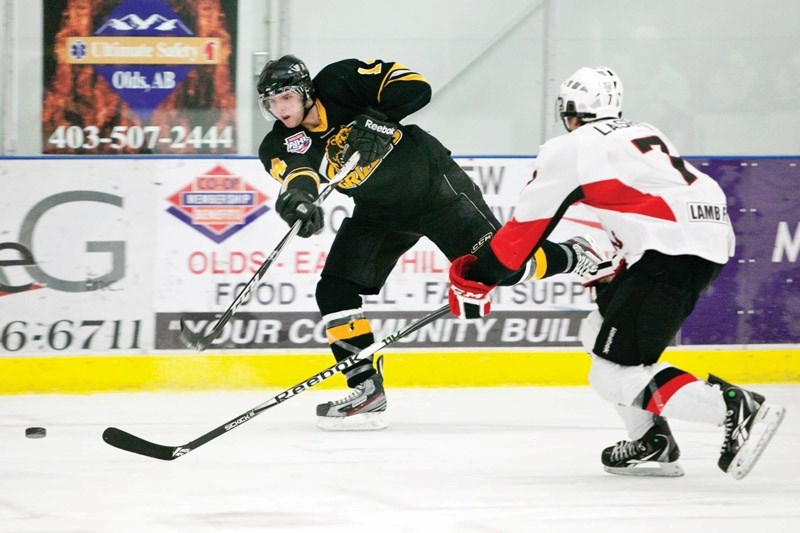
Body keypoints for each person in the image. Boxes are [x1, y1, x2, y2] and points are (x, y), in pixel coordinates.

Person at [447, 66, 786, 479]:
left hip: (669, 250)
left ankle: (735, 408)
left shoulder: (571, 148)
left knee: (613, 375)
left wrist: (480, 278)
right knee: (597, 331)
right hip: (693, 242)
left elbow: (523, 232)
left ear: (570, 111)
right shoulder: (641, 132)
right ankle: (650, 441)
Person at [256, 55, 602, 431]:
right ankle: (366, 390)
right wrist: (300, 201)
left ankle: (573, 254)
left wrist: (378, 119)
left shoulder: (341, 80)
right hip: (379, 211)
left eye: (285, 97)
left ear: (306, 91)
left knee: (502, 269)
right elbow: (297, 173)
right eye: (271, 102)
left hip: (435, 189)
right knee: (336, 290)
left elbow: (415, 86)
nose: (279, 109)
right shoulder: (279, 140)